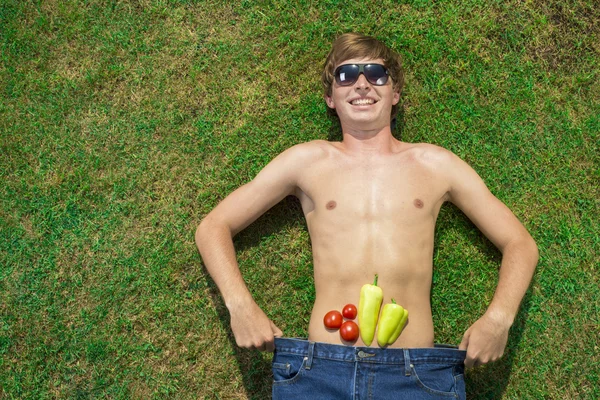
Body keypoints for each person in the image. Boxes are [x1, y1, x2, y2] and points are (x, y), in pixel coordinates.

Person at [196, 33, 538, 399]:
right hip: (320, 372)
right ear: (330, 98)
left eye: (376, 74)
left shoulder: (437, 165)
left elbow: (519, 243)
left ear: (395, 94)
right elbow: (214, 226)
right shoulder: (307, 161)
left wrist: (499, 319)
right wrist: (240, 307)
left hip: (415, 375)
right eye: (346, 75)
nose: (362, 83)